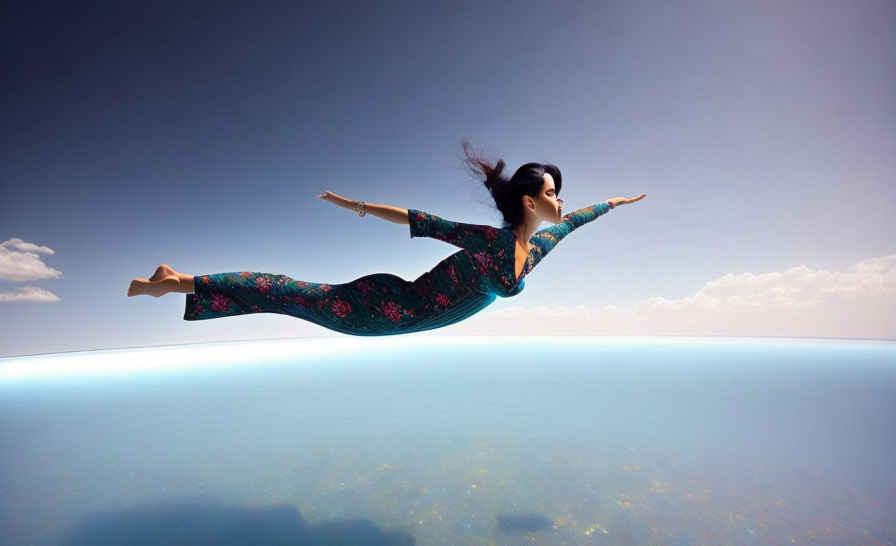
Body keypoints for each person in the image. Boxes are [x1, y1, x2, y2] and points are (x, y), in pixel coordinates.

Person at [127, 141, 645, 336]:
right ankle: (175, 283)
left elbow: (580, 218)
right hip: (384, 309)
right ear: (531, 201)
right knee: (286, 292)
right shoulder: (487, 241)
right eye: (554, 193)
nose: (561, 201)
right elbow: (417, 218)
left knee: (288, 294)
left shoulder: (538, 247)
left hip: (398, 314)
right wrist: (352, 205)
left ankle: (179, 283)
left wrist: (616, 203)